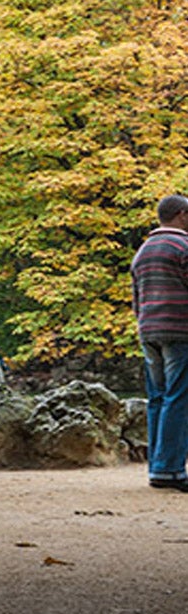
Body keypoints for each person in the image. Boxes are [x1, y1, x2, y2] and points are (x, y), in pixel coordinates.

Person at [132, 194, 188, 491]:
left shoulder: (143, 251)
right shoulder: (183, 246)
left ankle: (157, 466)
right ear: (181, 215)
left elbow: (136, 300)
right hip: (180, 331)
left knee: (157, 398)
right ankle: (170, 470)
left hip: (148, 331)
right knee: (179, 397)